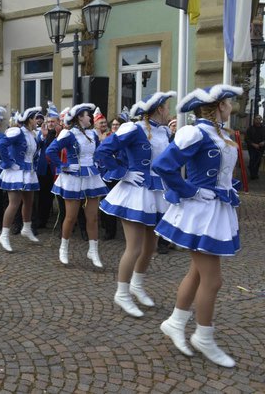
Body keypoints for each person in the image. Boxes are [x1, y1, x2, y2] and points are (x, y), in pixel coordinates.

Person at [153, 85, 243, 368]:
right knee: (213, 280)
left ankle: (175, 322)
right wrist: (189, 190)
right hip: (201, 213)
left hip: (215, 210)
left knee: (197, 273)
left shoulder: (220, 134)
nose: (231, 107)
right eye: (228, 103)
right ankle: (204, 337)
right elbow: (163, 165)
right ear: (219, 106)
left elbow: (221, 174)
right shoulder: (196, 133)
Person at [95, 91, 174, 317]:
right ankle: (122, 293)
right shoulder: (133, 128)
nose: (169, 111)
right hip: (135, 192)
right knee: (135, 247)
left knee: (150, 246)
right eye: (167, 107)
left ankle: (137, 286)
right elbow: (103, 151)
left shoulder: (164, 132)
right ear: (159, 109)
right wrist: (124, 172)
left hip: (156, 192)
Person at [46, 103, 108, 267]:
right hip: (73, 178)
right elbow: (50, 151)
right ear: (80, 117)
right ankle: (63, 248)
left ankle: (93, 251)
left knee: (92, 217)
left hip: (91, 177)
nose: (90, 118)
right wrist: (63, 166)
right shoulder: (69, 134)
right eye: (88, 115)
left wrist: (99, 163)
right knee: (71, 217)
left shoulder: (92, 134)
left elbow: (98, 152)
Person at [0, 107, 42, 252]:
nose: (38, 121)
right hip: (15, 172)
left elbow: (34, 153)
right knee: (14, 203)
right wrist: (9, 162)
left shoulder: (33, 134)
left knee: (29, 201)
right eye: (36, 118)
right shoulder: (17, 132)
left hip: (29, 172)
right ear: (29, 120)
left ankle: (26, 228)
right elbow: (1, 144)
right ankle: (4, 235)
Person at [36, 104, 60, 230]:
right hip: (43, 168)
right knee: (43, 196)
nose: (50, 124)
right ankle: (41, 220)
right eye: (49, 121)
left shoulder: (60, 133)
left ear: (57, 122)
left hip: (56, 168)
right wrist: (44, 136)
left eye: (53, 121)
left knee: (57, 197)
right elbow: (38, 145)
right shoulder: (43, 133)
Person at [245, 114, 265, 180]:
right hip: (252, 148)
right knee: (252, 159)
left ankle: (255, 173)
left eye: (259, 118)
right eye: (256, 118)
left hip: (261, 148)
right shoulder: (250, 128)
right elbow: (247, 139)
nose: (258, 120)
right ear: (254, 120)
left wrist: (264, 142)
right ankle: (252, 174)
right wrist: (253, 144)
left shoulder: (264, 128)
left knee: (258, 161)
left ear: (261, 120)